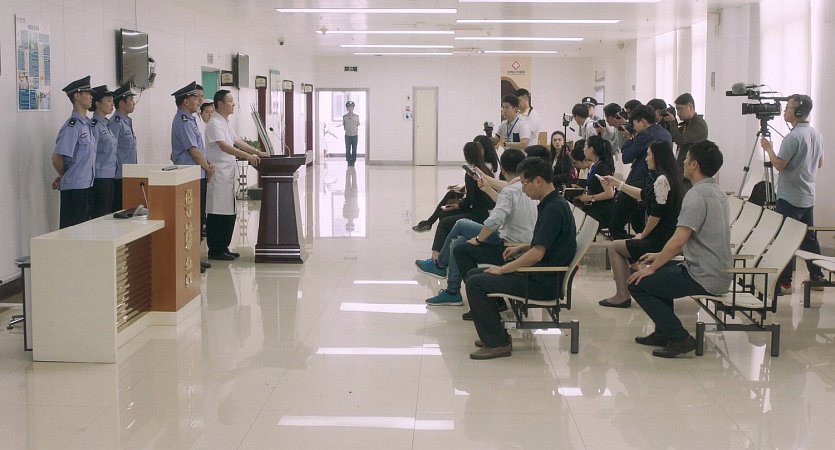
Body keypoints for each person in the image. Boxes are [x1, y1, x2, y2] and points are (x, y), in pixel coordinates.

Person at [461, 157, 576, 360]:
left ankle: (498, 343)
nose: (523, 189)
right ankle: (495, 333)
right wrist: (522, 247)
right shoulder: (552, 203)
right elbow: (545, 243)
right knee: (473, 274)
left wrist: (503, 269)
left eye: (524, 183)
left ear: (538, 181)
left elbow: (537, 254)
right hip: (539, 272)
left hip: (543, 281)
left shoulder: (553, 209)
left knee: (475, 283)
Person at [627, 140, 731, 358]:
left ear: (694, 164)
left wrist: (652, 267)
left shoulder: (696, 195)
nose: (682, 162)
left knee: (638, 284)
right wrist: (659, 257)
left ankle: (679, 337)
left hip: (703, 275)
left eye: (686, 159)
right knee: (659, 276)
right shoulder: (717, 192)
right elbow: (700, 239)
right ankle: (663, 332)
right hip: (714, 270)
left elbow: (679, 239)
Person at [418, 149, 536, 308]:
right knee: (458, 242)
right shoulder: (524, 188)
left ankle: (440, 265)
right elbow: (506, 203)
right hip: (517, 240)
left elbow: (495, 220)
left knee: (461, 225)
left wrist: (479, 239)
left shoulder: (511, 190)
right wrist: (487, 188)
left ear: (503, 169)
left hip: (508, 243)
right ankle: (452, 291)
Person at [598, 140, 685, 308]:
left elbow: (655, 215)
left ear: (657, 157)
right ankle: (626, 290)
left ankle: (622, 295)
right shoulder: (667, 177)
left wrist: (642, 235)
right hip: (665, 237)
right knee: (620, 244)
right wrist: (618, 184)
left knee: (615, 247)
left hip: (660, 241)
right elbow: (643, 195)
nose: (646, 159)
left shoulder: (662, 180)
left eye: (648, 155)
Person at [760, 94, 825, 294]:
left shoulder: (793, 137)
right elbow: (820, 163)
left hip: (789, 197)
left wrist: (768, 149)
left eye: (788, 107)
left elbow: (779, 165)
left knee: (785, 239)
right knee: (809, 238)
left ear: (798, 112)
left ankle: (785, 282)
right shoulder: (816, 134)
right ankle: (817, 276)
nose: (784, 111)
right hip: (807, 195)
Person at [204, 89, 269, 260]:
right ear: (220, 104)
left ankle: (224, 247)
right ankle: (215, 250)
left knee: (229, 212)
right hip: (218, 175)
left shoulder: (224, 122)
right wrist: (248, 156)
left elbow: (236, 141)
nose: (234, 104)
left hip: (227, 175)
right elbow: (224, 146)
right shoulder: (214, 124)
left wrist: (257, 152)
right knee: (217, 213)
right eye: (230, 101)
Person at [423, 142, 496, 267]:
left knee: (444, 222)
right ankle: (445, 250)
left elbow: (469, 200)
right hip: (482, 211)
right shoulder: (486, 171)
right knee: (444, 213)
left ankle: (436, 259)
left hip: (477, 213)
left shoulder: (471, 174)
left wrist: (458, 205)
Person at [610, 105, 672, 240]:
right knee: (638, 221)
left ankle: (629, 247)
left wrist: (630, 138)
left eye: (634, 124)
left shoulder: (645, 134)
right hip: (657, 179)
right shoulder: (665, 132)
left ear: (643, 122)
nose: (633, 127)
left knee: (616, 223)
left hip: (640, 180)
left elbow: (626, 157)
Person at [171, 81, 214, 272]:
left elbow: (199, 150)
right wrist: (207, 168)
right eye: (195, 98)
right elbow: (194, 151)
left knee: (197, 218)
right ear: (185, 101)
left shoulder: (191, 119)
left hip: (197, 173)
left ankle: (195, 256)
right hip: (189, 176)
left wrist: (207, 165)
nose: (199, 101)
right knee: (190, 218)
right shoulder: (183, 121)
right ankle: (189, 259)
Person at [52, 76, 96, 229]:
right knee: (72, 234)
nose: (91, 97)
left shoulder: (87, 125)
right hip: (74, 188)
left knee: (85, 232)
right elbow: (57, 157)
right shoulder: (72, 126)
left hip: (86, 186)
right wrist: (65, 175)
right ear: (77, 96)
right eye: (87, 93)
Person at [574, 135, 616, 230]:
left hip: (603, 210)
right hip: (595, 207)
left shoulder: (602, 167)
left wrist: (590, 198)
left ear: (591, 149)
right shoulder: (595, 166)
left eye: (585, 146)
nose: (583, 149)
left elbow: (609, 193)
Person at [89, 85, 118, 219]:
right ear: (98, 104)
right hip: (100, 178)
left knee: (108, 215)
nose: (112, 104)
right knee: (100, 216)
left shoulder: (106, 124)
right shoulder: (94, 125)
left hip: (110, 175)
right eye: (108, 101)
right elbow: (91, 153)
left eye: (112, 101)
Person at [109, 84, 137, 211]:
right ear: (121, 103)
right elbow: (112, 150)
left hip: (129, 175)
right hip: (119, 176)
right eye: (130, 99)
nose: (133, 103)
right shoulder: (115, 123)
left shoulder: (126, 122)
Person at [665, 93, 708, 174]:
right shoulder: (687, 123)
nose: (678, 113)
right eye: (676, 110)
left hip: (693, 171)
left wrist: (672, 121)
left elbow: (680, 140)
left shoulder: (699, 124)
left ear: (690, 107)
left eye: (679, 109)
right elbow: (673, 137)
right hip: (684, 168)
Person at [343, 100, 360, 166]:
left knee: (354, 149)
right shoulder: (344, 117)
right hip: (347, 135)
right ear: (347, 108)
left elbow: (357, 124)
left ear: (353, 108)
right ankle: (348, 161)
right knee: (347, 149)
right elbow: (344, 125)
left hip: (355, 135)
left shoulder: (357, 117)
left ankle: (353, 161)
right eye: (349, 107)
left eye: (351, 107)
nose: (350, 109)